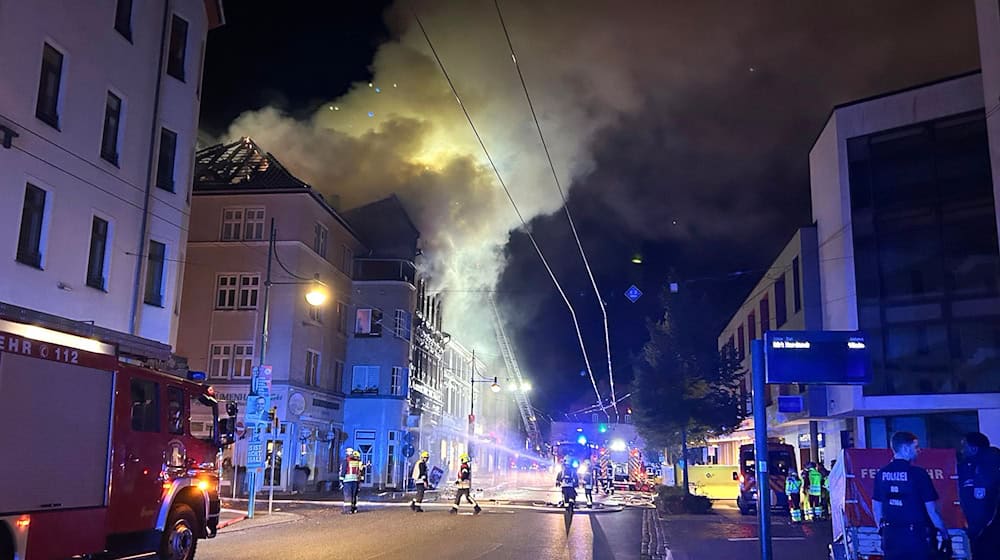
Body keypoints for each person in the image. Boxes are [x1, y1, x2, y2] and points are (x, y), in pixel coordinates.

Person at [873, 431, 949, 560]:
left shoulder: (881, 473)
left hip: (890, 537)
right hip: (915, 537)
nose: (919, 450)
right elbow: (932, 511)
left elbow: (876, 508)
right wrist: (944, 534)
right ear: (905, 449)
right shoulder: (918, 474)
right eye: (915, 447)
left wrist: (882, 531)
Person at [957, 432, 1000, 558]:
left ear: (974, 448)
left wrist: (974, 528)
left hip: (981, 529)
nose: (962, 450)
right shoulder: (994, 465)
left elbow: (977, 503)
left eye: (964, 446)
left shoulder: (970, 469)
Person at [341, 448, 365, 514]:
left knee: (348, 495)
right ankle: (354, 509)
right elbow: (360, 471)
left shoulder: (346, 461)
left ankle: (347, 510)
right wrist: (361, 481)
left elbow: (343, 470)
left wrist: (341, 479)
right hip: (355, 481)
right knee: (354, 495)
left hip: (347, 481)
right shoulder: (357, 461)